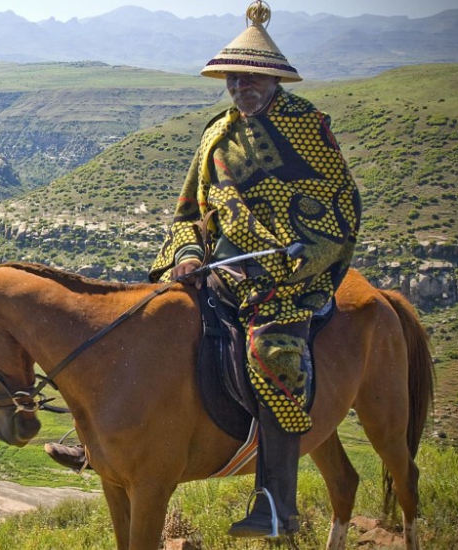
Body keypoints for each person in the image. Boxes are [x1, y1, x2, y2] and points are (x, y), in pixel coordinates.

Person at [44, 0, 361, 538]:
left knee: (274, 357)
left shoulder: (310, 128)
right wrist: (188, 253)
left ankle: (274, 505)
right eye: (234, 78)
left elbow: (342, 205)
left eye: (252, 78)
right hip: (219, 269)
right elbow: (189, 211)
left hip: (284, 279)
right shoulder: (216, 133)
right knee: (141, 322)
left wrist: (306, 252)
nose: (242, 87)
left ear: (273, 77)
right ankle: (99, 442)